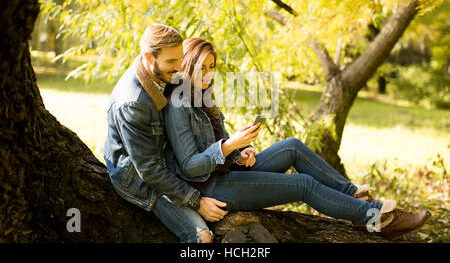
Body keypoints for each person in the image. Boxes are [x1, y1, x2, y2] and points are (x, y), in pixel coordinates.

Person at [164, 37, 431, 241]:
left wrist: (239, 152)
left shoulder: (203, 97)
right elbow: (190, 166)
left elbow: (215, 147)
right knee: (303, 184)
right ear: (187, 67)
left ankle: (354, 195)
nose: (208, 74)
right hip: (212, 187)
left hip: (227, 171)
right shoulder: (179, 106)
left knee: (292, 147)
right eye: (202, 68)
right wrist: (229, 146)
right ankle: (376, 217)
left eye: (212, 67)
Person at [104, 24, 226, 243]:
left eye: (180, 58)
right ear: (148, 58)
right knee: (201, 237)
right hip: (140, 179)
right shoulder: (133, 103)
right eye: (172, 61)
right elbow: (149, 170)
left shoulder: (160, 76)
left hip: (164, 165)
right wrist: (196, 201)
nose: (180, 67)